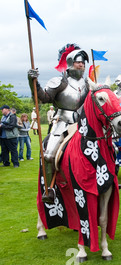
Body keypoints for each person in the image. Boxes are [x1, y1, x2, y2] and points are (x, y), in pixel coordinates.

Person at [27, 43, 90, 197]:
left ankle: (106, 180)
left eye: (83, 62)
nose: (81, 64)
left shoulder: (87, 83)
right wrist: (32, 82)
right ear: (70, 63)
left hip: (84, 123)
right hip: (63, 122)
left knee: (108, 146)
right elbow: (44, 98)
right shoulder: (60, 82)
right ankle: (49, 190)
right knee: (49, 155)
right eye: (78, 61)